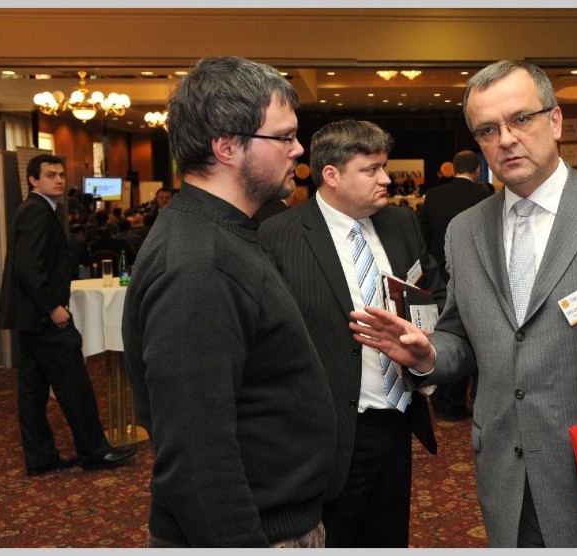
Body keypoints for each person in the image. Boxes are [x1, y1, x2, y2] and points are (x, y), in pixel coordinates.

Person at [348, 60, 577, 548]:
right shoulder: (465, 231)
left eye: (521, 119)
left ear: (555, 121)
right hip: (506, 479)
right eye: (488, 129)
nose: (506, 139)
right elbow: (461, 335)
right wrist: (428, 354)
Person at [121, 56, 336, 548]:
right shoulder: (200, 264)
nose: (298, 149)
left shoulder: (226, 234)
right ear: (227, 147)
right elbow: (197, 456)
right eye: (284, 137)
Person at [259, 119, 444, 548]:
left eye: (385, 167)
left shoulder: (400, 223)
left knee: (388, 538)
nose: (386, 179)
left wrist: (425, 345)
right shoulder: (279, 235)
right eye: (371, 169)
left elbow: (433, 292)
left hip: (397, 419)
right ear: (331, 175)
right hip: (328, 431)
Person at [0, 153, 136, 477]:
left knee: (32, 389)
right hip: (43, 315)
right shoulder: (36, 210)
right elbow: (28, 266)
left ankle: (41, 457)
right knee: (74, 384)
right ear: (33, 179)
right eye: (51, 175)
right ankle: (95, 451)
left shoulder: (38, 208)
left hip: (30, 316)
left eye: (61, 174)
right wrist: (52, 307)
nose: (59, 179)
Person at [418, 149, 490, 421]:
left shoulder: (434, 195)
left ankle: (440, 400)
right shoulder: (484, 197)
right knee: (468, 336)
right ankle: (460, 402)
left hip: (438, 277)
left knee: (442, 334)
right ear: (477, 170)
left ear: (453, 168)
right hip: (475, 277)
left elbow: (422, 236)